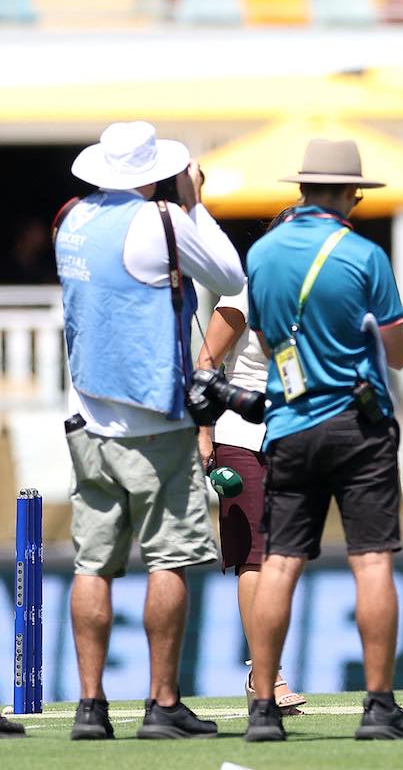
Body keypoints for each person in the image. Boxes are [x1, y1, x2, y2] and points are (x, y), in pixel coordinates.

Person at [54, 121, 245, 739]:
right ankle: (162, 703)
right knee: (170, 558)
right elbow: (229, 274)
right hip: (153, 419)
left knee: (93, 565)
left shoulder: (72, 219)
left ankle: (90, 707)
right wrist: (194, 205)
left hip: (88, 414)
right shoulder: (160, 224)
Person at [242, 138, 403, 742]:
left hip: (290, 423)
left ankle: (263, 706)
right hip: (357, 421)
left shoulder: (262, 254)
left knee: (281, 562)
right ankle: (378, 706)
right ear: (350, 193)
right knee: (370, 561)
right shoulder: (363, 255)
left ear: (301, 189)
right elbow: (397, 352)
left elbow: (265, 343)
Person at [196, 225, 306, 715]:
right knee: (256, 557)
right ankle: (267, 677)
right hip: (241, 437)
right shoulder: (243, 288)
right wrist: (203, 435)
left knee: (282, 557)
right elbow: (206, 364)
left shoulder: (308, 295)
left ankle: (266, 674)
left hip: (290, 439)